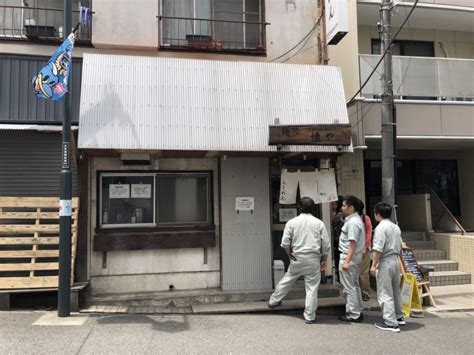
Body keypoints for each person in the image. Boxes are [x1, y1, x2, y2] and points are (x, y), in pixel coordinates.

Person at [268, 197, 331, 324]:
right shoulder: (319, 223)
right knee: (312, 288)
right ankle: (309, 316)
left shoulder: (291, 222)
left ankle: (273, 301)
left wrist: (290, 255)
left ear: (299, 207)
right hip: (313, 258)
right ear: (313, 208)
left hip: (297, 257)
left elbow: (285, 243)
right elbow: (325, 245)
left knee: (287, 279)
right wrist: (324, 260)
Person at [370, 202, 405, 333]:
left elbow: (378, 248)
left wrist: (373, 265)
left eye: (375, 213)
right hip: (395, 260)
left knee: (385, 292)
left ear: (377, 214)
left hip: (385, 261)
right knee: (395, 291)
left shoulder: (380, 228)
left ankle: (391, 323)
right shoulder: (395, 227)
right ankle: (399, 316)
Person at [338, 195, 365, 322]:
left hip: (348, 257)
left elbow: (352, 242)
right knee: (354, 285)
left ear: (351, 208)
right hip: (354, 257)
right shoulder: (356, 220)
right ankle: (358, 310)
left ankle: (354, 314)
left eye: (344, 205)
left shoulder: (353, 222)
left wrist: (347, 261)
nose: (342, 208)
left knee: (349, 287)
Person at [356, 200, 373, 301]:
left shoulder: (365, 218)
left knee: (363, 272)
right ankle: (358, 291)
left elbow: (369, 233)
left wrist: (365, 247)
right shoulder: (349, 219)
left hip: (363, 249)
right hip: (354, 249)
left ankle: (365, 292)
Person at [331, 196, 345, 282]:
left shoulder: (339, 215)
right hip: (337, 240)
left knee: (338, 259)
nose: (334, 205)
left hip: (338, 241)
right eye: (332, 203)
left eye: (336, 203)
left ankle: (339, 278)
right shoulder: (338, 214)